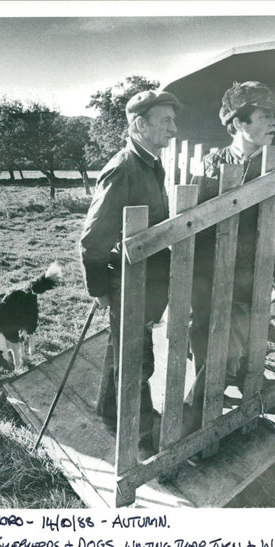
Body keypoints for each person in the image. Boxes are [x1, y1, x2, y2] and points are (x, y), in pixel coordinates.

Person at [79, 89, 181, 453]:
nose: (174, 127)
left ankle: (108, 411)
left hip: (148, 280)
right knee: (137, 360)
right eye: (165, 120)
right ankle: (141, 434)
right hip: (128, 282)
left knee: (122, 350)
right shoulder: (123, 168)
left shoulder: (151, 161)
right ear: (140, 124)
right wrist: (101, 290)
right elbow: (92, 240)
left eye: (173, 119)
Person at [189, 81, 275, 407]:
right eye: (266, 115)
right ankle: (207, 400)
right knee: (206, 334)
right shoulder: (211, 164)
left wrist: (266, 269)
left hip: (254, 274)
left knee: (244, 338)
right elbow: (194, 222)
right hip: (208, 273)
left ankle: (220, 392)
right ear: (239, 123)